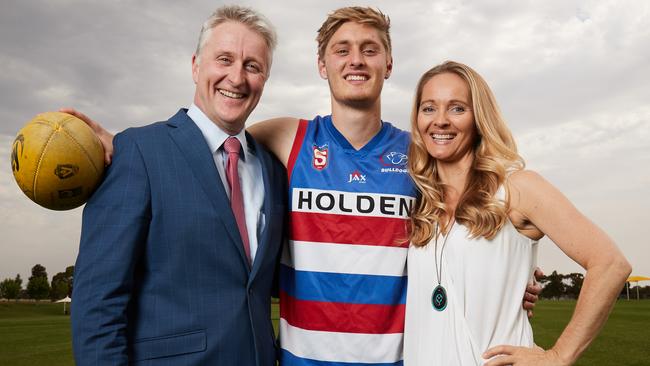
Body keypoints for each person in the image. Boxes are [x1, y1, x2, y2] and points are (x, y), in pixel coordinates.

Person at [66, 7, 542, 365]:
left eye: (370, 50)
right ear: (322, 64)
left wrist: (510, 276)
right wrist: (127, 147)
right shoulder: (285, 141)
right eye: (342, 50)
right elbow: (210, 139)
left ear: (389, 64)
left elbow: (463, 223)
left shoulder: (419, 155)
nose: (356, 60)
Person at [70, 6, 286, 365]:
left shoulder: (272, 169)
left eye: (253, 66)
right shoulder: (138, 152)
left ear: (264, 78)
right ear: (196, 66)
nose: (237, 77)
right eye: (224, 59)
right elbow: (97, 302)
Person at [404, 60, 631, 365]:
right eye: (429, 108)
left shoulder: (517, 187)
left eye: (457, 108)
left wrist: (559, 356)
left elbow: (610, 263)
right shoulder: (421, 202)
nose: (440, 121)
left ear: (478, 117)